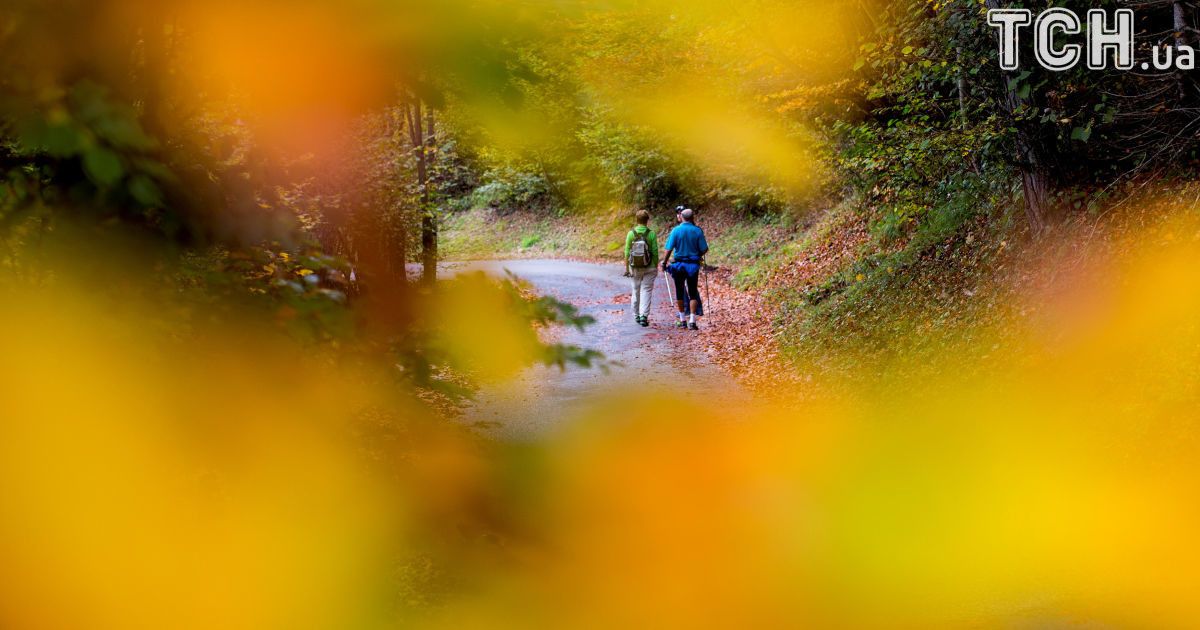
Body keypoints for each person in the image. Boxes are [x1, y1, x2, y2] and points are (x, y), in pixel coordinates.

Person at [662, 208, 708, 330]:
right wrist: (697, 253)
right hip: (693, 265)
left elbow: (669, 249)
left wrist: (664, 262)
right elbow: (704, 249)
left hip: (679, 265)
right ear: (692, 218)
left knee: (679, 291)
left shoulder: (676, 230)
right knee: (692, 291)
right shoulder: (697, 231)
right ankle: (692, 320)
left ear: (681, 217)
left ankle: (682, 319)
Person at [623, 209, 659, 327]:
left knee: (635, 290)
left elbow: (627, 252)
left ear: (636, 220)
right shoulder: (651, 234)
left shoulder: (631, 233)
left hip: (635, 267)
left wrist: (627, 269)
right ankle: (644, 316)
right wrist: (655, 265)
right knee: (646, 290)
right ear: (647, 221)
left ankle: (636, 315)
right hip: (650, 267)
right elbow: (654, 251)